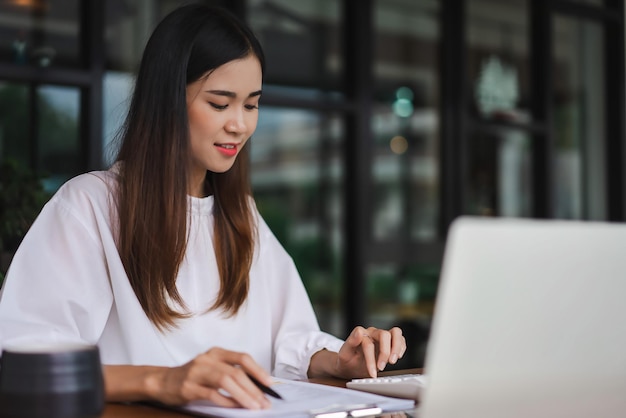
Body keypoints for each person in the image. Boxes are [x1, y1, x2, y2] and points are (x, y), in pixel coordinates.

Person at [0, 3, 406, 411]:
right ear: (169, 100)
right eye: (219, 103)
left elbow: (289, 338)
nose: (240, 125)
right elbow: (25, 360)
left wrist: (339, 360)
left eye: (251, 105)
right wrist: (163, 380)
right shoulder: (91, 207)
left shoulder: (240, 215)